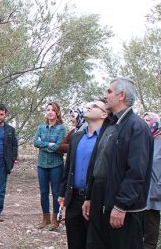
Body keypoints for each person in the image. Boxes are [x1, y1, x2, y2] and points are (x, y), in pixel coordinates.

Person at [83, 77, 153, 249]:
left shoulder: (137, 127)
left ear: (121, 95)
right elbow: (97, 163)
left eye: (109, 91)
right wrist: (89, 197)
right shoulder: (109, 124)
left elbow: (137, 171)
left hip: (122, 204)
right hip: (100, 198)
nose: (105, 95)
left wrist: (121, 206)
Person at [58, 99, 108, 249]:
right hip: (73, 199)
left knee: (94, 243)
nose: (89, 107)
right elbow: (68, 167)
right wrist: (62, 193)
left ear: (104, 114)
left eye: (94, 106)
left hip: (95, 200)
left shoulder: (107, 138)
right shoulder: (76, 137)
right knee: (74, 242)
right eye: (89, 105)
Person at [33, 102, 67, 230]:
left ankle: (55, 219)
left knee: (56, 192)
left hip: (56, 165)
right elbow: (35, 142)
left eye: (53, 110)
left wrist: (44, 145)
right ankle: (45, 218)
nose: (50, 112)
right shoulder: (41, 127)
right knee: (43, 192)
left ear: (57, 112)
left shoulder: (62, 128)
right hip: (42, 164)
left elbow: (59, 146)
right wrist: (50, 145)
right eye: (48, 110)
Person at [142, 112, 161, 249]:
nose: (145, 122)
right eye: (143, 120)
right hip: (139, 189)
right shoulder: (141, 140)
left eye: (148, 120)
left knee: (151, 222)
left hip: (154, 190)